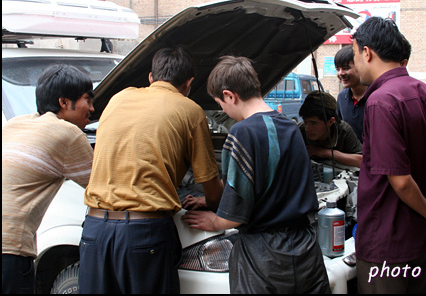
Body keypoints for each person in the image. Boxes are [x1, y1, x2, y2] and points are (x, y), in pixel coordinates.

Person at [78, 46, 223, 294]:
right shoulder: (190, 111)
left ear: (151, 77)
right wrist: (213, 205)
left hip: (94, 230)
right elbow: (210, 184)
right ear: (189, 83)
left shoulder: (118, 99)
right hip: (143, 235)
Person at [182, 56, 331, 294]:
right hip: (306, 251)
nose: (222, 109)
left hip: (266, 257)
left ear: (230, 95)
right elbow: (273, 177)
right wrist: (213, 195)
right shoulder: (291, 128)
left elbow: (235, 216)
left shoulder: (241, 133)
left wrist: (215, 221)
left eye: (220, 103)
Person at [351, 17, 426, 294]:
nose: (355, 63)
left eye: (355, 54)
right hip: (416, 241)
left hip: (385, 243)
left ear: (367, 52)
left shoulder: (381, 100)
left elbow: (401, 181)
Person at [2, 64, 95, 294]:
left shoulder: (15, 124)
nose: (92, 108)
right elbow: (102, 186)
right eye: (87, 99)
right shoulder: (67, 133)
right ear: (64, 102)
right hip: (9, 251)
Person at [299, 90, 362, 169]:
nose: (307, 128)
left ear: (330, 121)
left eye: (313, 123)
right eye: (305, 121)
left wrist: (326, 153)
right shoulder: (299, 130)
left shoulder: (343, 130)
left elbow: (361, 161)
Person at [335, 45, 367, 143]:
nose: (341, 73)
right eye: (337, 69)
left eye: (345, 68)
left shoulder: (376, 97)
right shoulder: (341, 97)